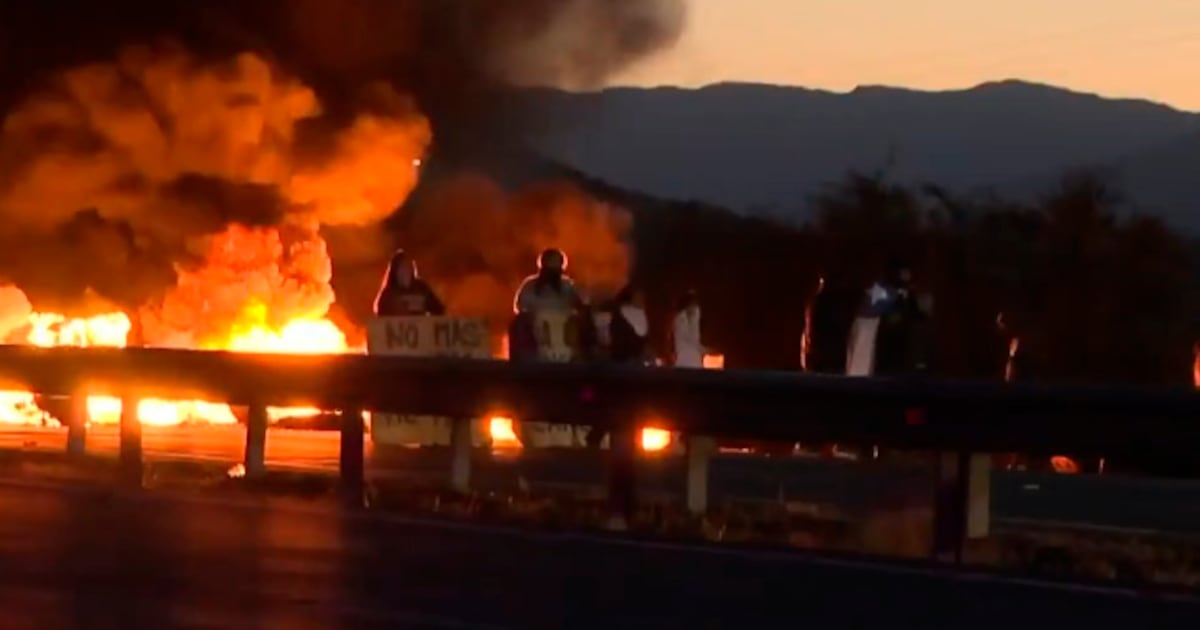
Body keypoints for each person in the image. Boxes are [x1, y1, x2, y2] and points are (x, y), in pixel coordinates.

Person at [373, 249, 445, 317]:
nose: (406, 270)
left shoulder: (422, 289)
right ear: (395, 271)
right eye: (402, 267)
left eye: (408, 266)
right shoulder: (389, 294)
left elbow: (439, 310)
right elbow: (381, 319)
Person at [670, 290, 705, 368]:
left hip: (696, 361)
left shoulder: (696, 317)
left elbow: (696, 342)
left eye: (696, 305)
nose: (694, 307)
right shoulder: (679, 320)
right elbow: (691, 339)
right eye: (693, 304)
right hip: (684, 361)